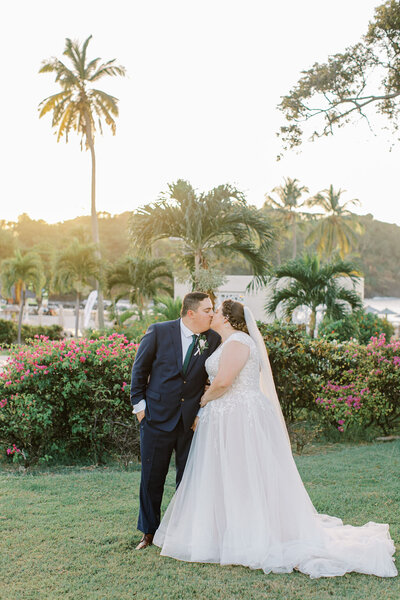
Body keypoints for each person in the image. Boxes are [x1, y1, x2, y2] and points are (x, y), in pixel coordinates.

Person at [153, 300, 397, 578]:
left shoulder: (238, 342)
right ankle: (225, 530)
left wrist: (202, 402)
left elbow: (223, 382)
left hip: (237, 418)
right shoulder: (226, 341)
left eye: (216, 311)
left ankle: (249, 533)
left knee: (242, 475)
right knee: (228, 475)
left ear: (228, 319)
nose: (212, 315)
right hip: (228, 416)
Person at [130, 292, 221, 550]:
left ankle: (183, 531)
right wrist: (140, 409)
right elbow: (140, 370)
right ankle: (148, 533)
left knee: (188, 478)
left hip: (189, 422)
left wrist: (200, 414)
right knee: (151, 478)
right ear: (190, 313)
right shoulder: (158, 331)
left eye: (213, 310)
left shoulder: (212, 339)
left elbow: (210, 381)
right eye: (207, 310)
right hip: (155, 418)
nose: (212, 314)